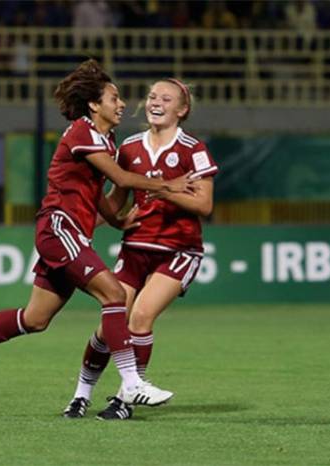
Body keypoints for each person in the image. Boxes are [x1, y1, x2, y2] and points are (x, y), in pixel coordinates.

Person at [0, 60, 196, 411]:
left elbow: (97, 192)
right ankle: (131, 383)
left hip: (71, 234)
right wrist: (168, 184)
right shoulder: (81, 132)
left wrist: (116, 221)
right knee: (114, 295)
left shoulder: (106, 139)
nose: (123, 104)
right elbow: (124, 180)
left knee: (35, 319)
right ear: (94, 105)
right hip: (59, 227)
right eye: (114, 98)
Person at [63, 78, 218, 420]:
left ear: (182, 110)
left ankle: (124, 400)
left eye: (166, 98)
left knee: (141, 317)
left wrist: (164, 192)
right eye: (151, 96)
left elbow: (204, 204)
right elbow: (116, 201)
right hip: (135, 248)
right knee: (108, 327)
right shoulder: (129, 147)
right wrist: (80, 224)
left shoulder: (193, 149)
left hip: (179, 250)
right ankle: (80, 395)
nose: (155, 102)